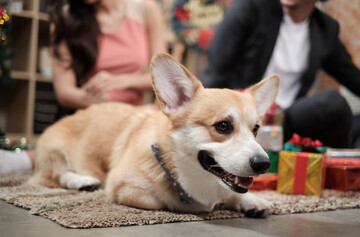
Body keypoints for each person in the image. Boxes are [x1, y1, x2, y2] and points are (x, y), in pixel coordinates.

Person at [0, 0, 167, 174]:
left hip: (137, 114)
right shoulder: (66, 19)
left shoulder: (146, 10)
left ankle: (30, 159)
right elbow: (64, 92)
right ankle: (35, 159)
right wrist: (106, 106)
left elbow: (163, 74)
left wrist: (123, 81)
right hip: (94, 112)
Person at [201, 0, 360, 148]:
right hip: (239, 116)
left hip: (284, 119)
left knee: (335, 105)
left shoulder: (325, 29)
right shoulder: (252, 8)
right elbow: (216, 71)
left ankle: (337, 174)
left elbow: (351, 75)